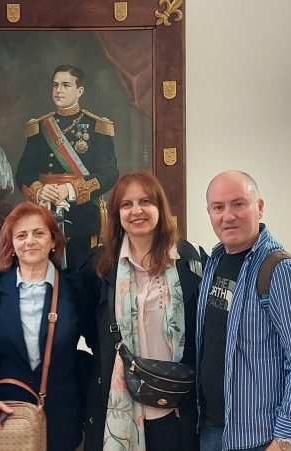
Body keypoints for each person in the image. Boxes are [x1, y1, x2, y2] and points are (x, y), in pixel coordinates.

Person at [196, 171, 291, 451]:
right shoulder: (214, 262)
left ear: (260, 207)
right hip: (213, 431)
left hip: (262, 440)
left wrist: (284, 441)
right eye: (218, 207)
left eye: (238, 204)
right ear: (209, 213)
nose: (228, 216)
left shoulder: (280, 271)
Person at [77, 171, 203, 451]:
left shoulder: (188, 260)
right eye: (127, 204)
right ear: (117, 214)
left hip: (176, 408)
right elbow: (91, 331)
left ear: (159, 207)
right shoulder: (99, 266)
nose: (136, 211)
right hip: (120, 407)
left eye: (145, 201)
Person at [0, 202, 89, 451]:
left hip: (60, 421)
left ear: (53, 241)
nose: (30, 241)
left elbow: (100, 342)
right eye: (21, 235)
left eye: (38, 233)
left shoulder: (74, 289)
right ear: (12, 245)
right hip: (4, 417)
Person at [15, 64, 119, 269]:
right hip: (45, 212)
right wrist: (41, 191)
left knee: (82, 277)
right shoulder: (40, 127)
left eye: (65, 85)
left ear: (79, 91)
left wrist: (69, 189)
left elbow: (109, 173)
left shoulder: (97, 126)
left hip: (83, 214)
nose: (58, 90)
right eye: (55, 85)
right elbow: (23, 173)